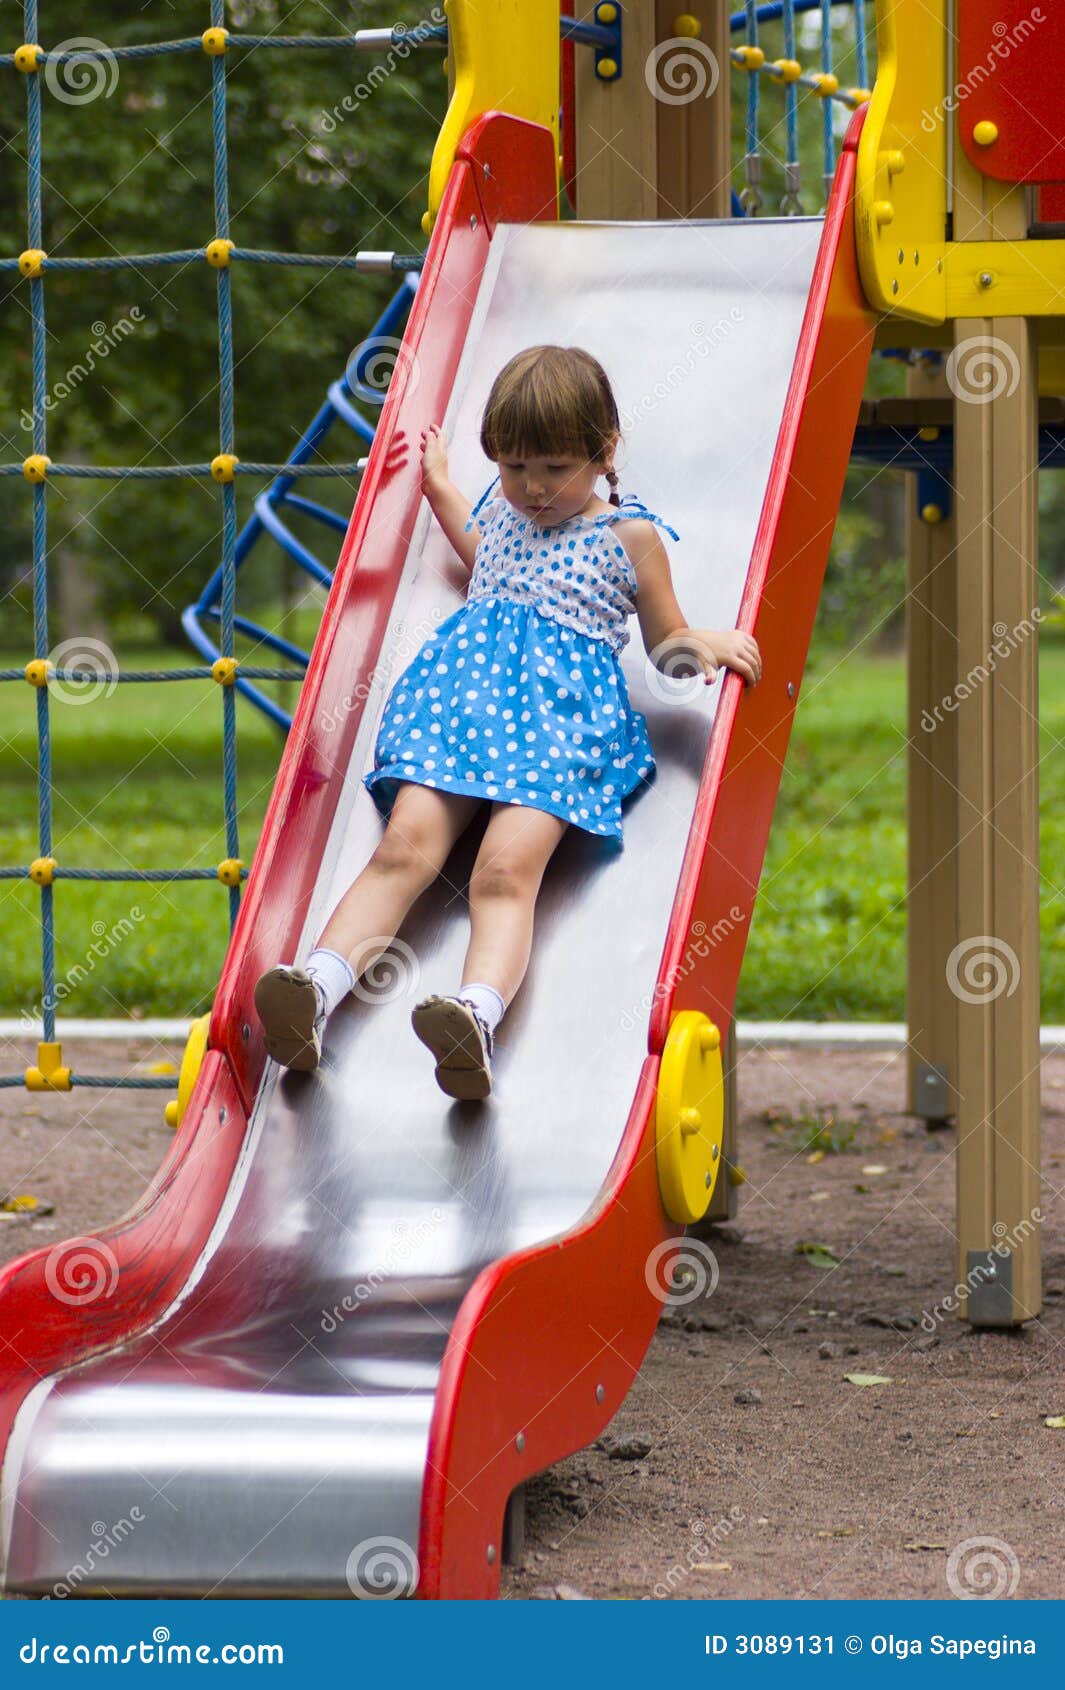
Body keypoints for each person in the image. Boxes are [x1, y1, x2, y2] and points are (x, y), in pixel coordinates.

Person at [254, 345, 761, 1100]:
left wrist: (705, 644)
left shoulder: (629, 539)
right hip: (457, 711)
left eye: (554, 468)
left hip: (558, 731)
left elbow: (665, 644)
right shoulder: (502, 507)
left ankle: (471, 1018)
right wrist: (437, 485)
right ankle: (316, 992)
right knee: (403, 849)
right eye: (515, 466)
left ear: (603, 451)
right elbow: (476, 541)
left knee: (503, 872)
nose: (532, 487)